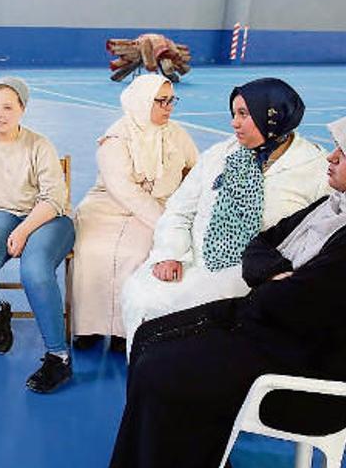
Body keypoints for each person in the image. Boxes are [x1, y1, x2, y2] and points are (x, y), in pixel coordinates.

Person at [109, 115, 346, 468]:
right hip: (272, 330)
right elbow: (261, 244)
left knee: (162, 372)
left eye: (342, 154)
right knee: (148, 335)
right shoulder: (330, 209)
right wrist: (277, 274)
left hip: (303, 366)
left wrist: (271, 284)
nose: (331, 158)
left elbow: (296, 303)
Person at [120, 77, 330, 352]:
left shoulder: (315, 167)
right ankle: (147, 378)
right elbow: (179, 211)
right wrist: (170, 254)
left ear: (274, 117)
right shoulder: (220, 155)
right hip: (194, 259)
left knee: (202, 322)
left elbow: (321, 234)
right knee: (141, 295)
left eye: (244, 114)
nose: (234, 123)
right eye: (234, 114)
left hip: (258, 273)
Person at [0, 77, 75, 393]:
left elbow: (53, 199)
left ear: (22, 109)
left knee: (34, 270)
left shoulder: (39, 145)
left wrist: (23, 230)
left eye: (8, 107)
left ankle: (58, 357)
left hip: (49, 218)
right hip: (0, 214)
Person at [69, 74, 198, 353]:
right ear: (142, 102)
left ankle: (125, 329)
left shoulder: (176, 133)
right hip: (108, 208)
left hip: (160, 206)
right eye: (160, 101)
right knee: (91, 249)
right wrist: (165, 223)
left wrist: (176, 215)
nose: (169, 107)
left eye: (171, 100)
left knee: (139, 251)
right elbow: (125, 191)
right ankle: (89, 327)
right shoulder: (116, 138)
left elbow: (195, 170)